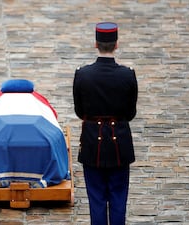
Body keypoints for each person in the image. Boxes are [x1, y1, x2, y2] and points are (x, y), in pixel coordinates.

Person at [73, 22, 138, 225]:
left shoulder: (83, 74)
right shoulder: (127, 74)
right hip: (120, 142)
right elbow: (130, 112)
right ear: (116, 44)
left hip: (93, 141)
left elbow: (79, 111)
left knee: (97, 198)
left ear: (96, 44)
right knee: (119, 198)